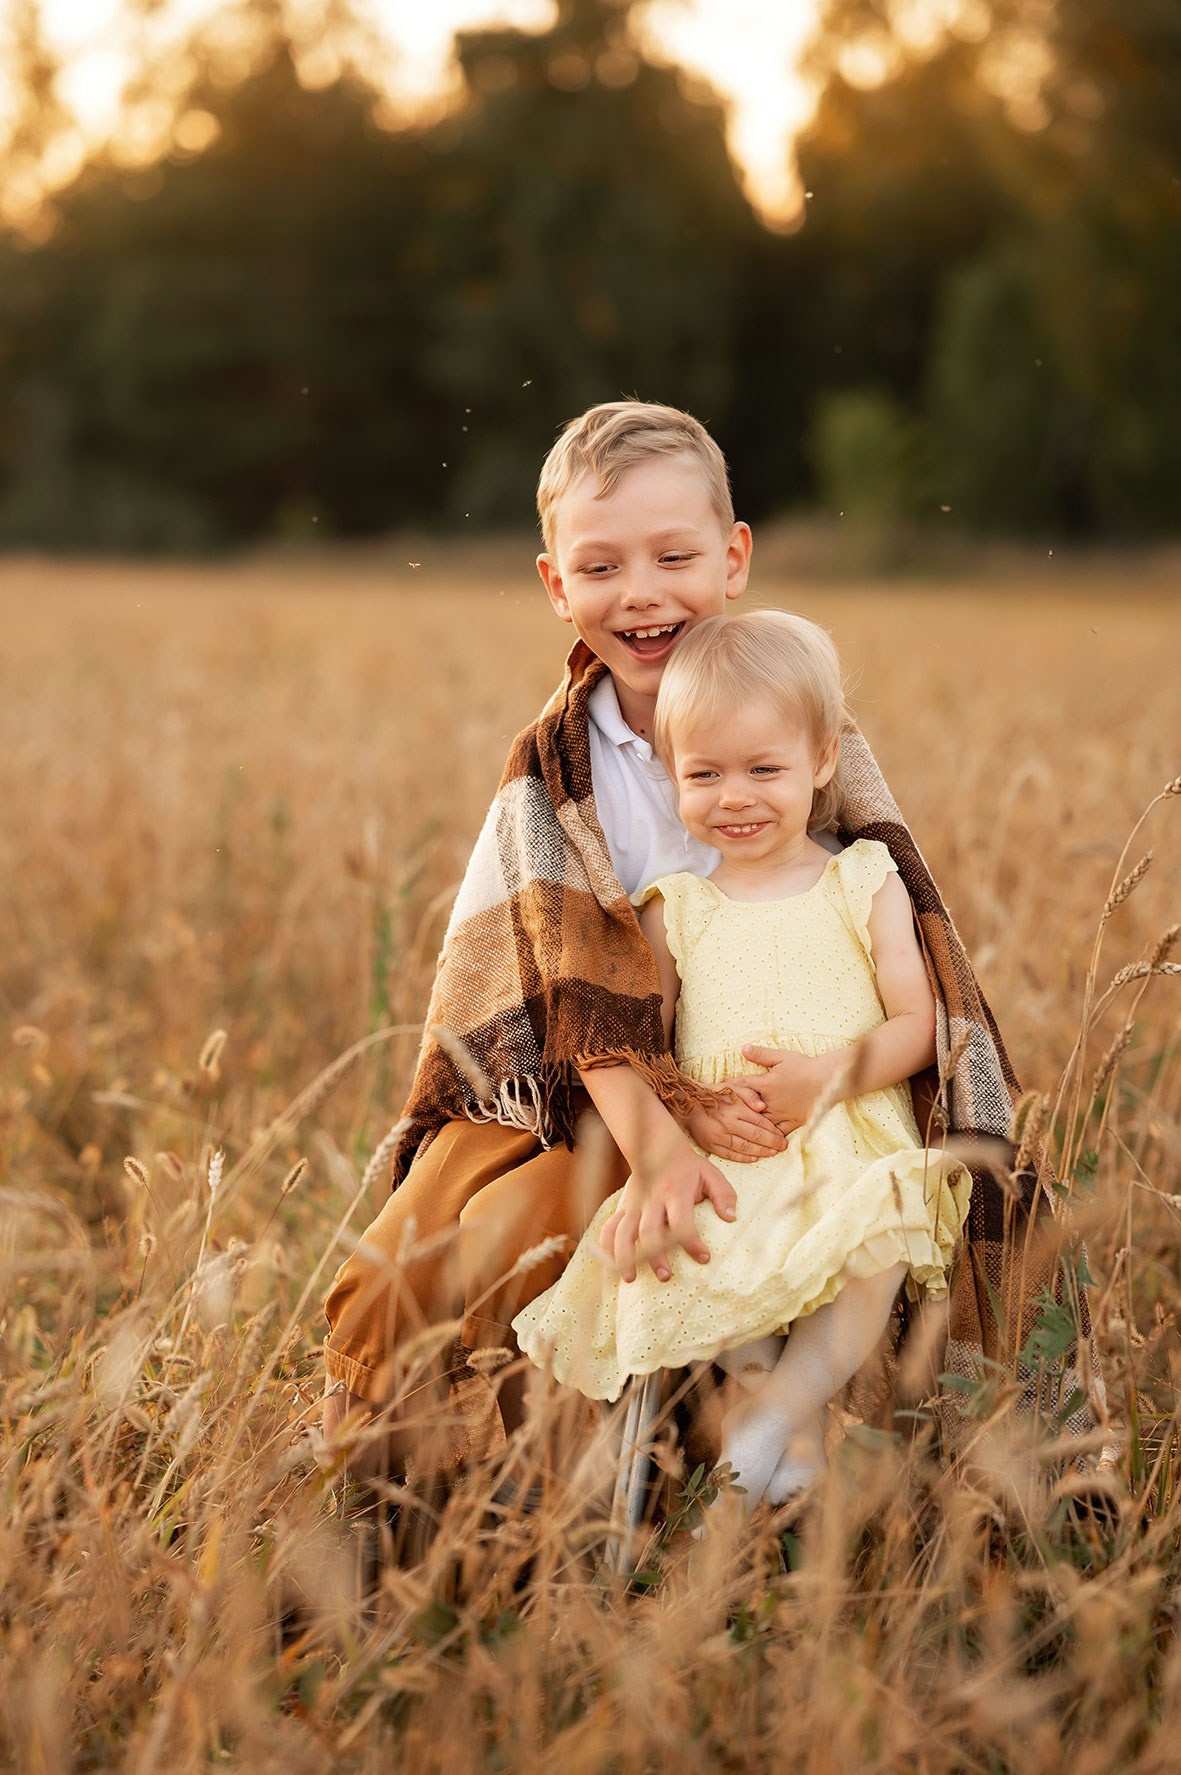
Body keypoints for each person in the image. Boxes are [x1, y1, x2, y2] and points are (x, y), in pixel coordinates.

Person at [321, 399, 1088, 1492]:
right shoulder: (553, 773)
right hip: (572, 1097)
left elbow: (877, 937)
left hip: (770, 1096)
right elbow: (567, 1005)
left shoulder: (790, 725)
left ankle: (659, 1449)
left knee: (534, 1242)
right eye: (600, 566)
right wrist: (666, 1130)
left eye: (672, 555)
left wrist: (791, 1091)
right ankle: (393, 1496)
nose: (639, 592)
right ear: (555, 585)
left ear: (731, 560)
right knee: (405, 1266)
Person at [512, 611, 972, 1512]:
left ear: (823, 760)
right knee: (696, 1253)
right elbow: (646, 1050)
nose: (737, 796)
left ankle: (772, 1425)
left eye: (765, 769)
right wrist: (683, 1116)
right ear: (671, 775)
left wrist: (824, 1077)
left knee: (875, 1236)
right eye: (705, 774)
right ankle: (769, 1426)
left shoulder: (861, 878)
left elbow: (922, 1024)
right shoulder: (673, 907)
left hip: (842, 1126)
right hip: (727, 1152)